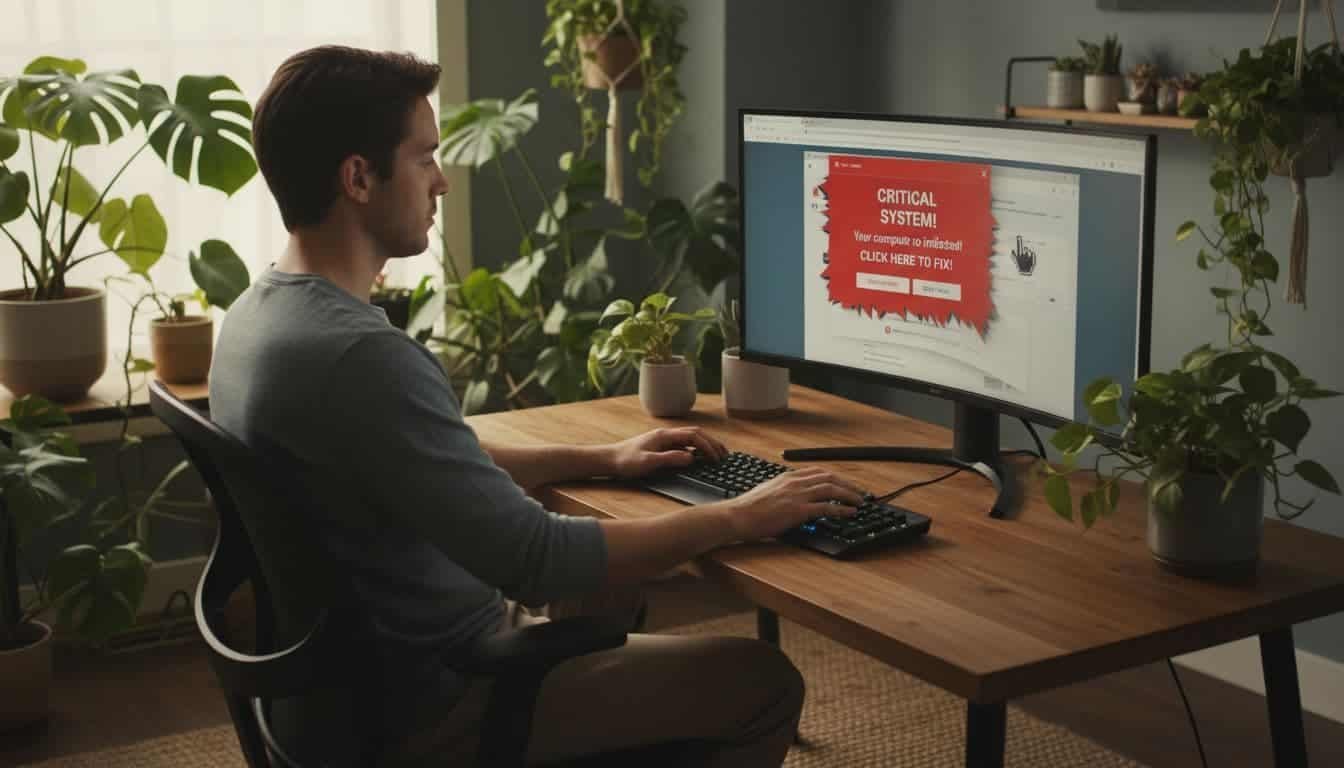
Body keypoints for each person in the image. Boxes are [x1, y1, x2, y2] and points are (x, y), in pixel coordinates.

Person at [211, 45, 864, 767]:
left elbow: (432, 458)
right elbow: (537, 560)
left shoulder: (257, 317)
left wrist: (601, 459)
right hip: (435, 701)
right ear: (359, 177)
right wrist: (742, 515)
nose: (441, 184)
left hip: (339, 692)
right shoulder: (358, 355)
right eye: (426, 158)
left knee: (611, 590)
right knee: (763, 683)